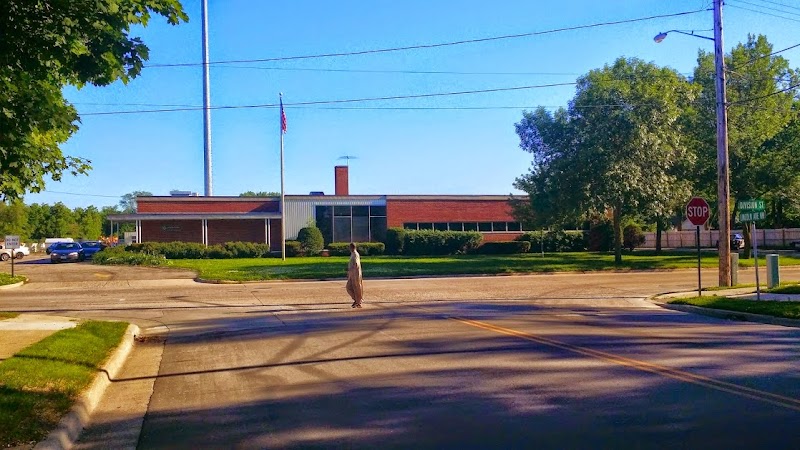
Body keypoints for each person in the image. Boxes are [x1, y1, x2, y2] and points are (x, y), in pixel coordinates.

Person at [346, 242, 363, 308]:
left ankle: (358, 301)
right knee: (349, 287)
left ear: (352, 247)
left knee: (356, 288)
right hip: (352, 274)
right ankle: (356, 300)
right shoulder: (352, 254)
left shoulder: (355, 254)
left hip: (356, 274)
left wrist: (351, 269)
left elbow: (356, 264)